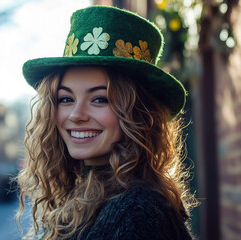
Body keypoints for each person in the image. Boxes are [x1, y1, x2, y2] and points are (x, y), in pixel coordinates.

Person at [17, 5, 197, 240]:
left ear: (138, 113)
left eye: (100, 99)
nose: (76, 114)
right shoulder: (88, 193)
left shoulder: (135, 210)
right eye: (66, 99)